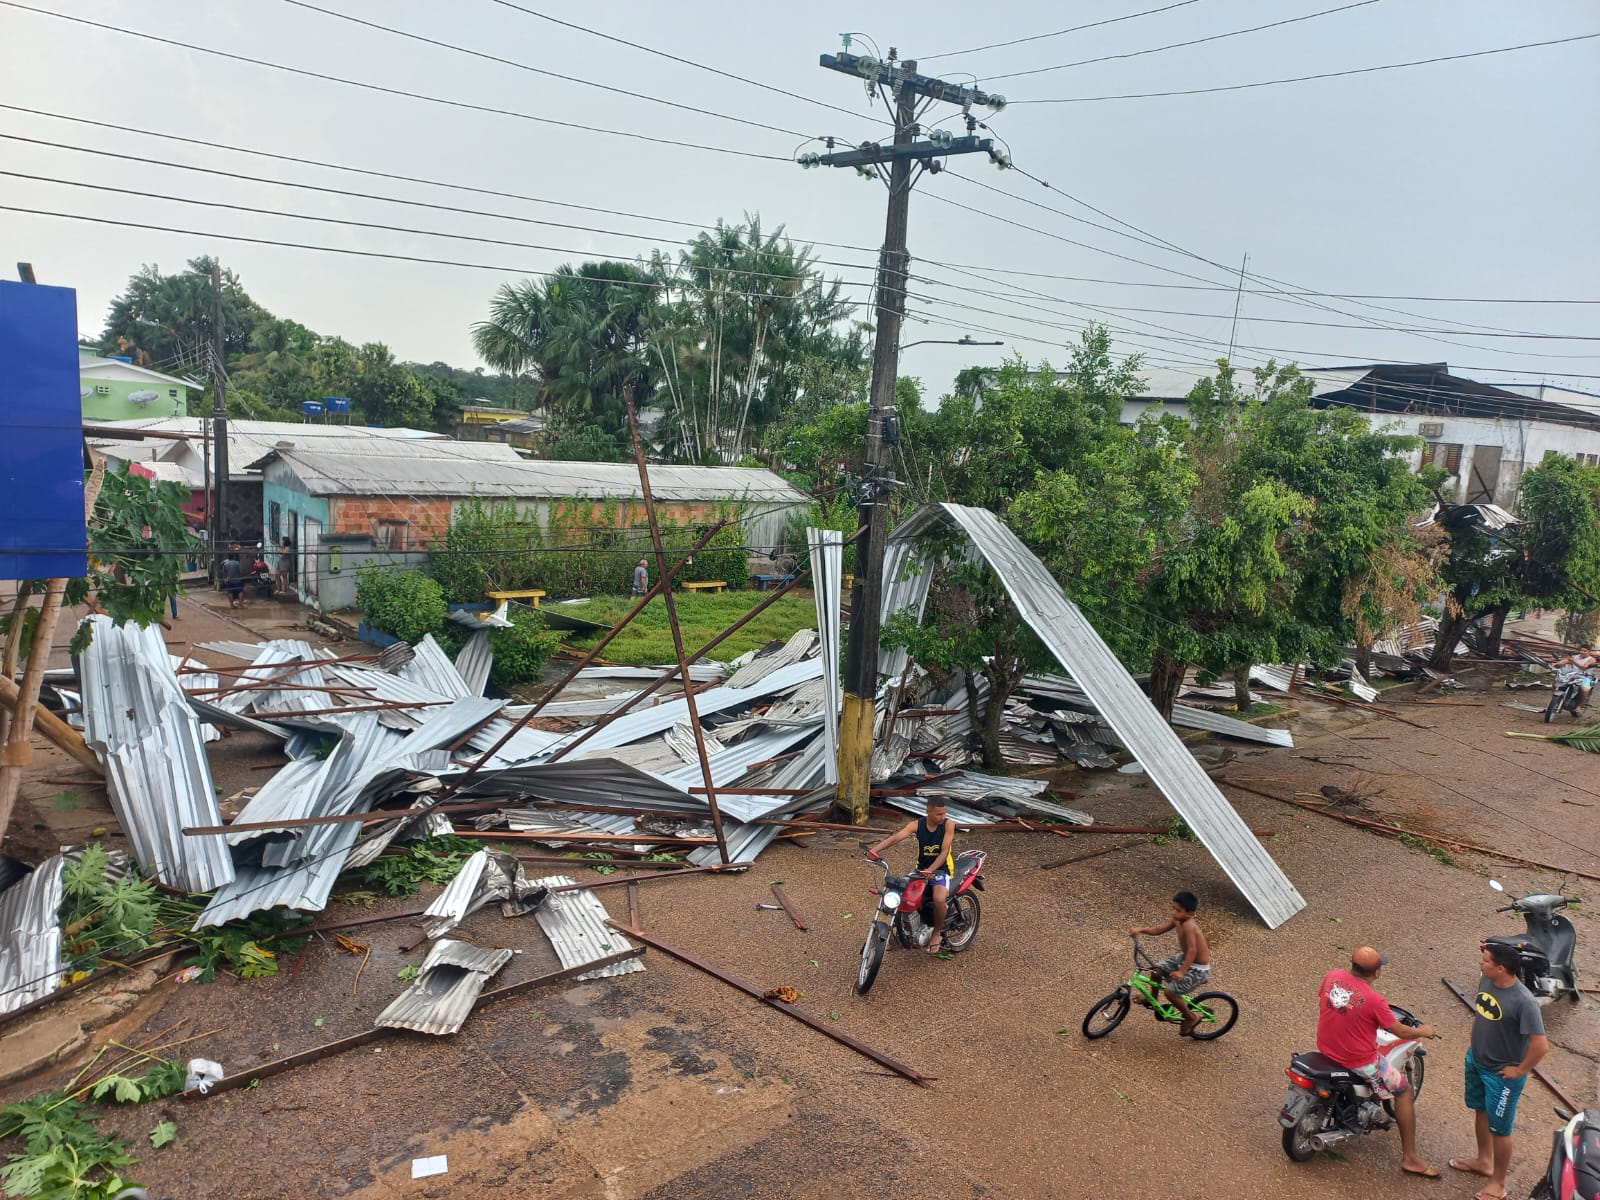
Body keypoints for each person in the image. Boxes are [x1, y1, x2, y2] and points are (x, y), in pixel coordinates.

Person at [1316, 946, 1441, 1179]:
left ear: (1352, 965)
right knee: (1404, 1091)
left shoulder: (1332, 976)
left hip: (1326, 1047)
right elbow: (1401, 1031)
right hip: (1358, 1061)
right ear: (1377, 973)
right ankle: (1411, 1158)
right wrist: (1424, 1031)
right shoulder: (1375, 1001)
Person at [1450, 943, 1548, 1200]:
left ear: (1501, 968)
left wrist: (1519, 1070)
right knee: (1480, 1110)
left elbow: (1540, 1045)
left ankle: (1498, 1184)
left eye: (1485, 960)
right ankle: (1484, 1161)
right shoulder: (1487, 980)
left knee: (1501, 1129)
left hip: (1501, 1076)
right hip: (1476, 1060)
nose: (1480, 963)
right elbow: (1483, 1013)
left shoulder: (1525, 1002)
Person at [867, 801, 955, 954]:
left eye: (944, 813)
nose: (942, 817)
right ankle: (895, 932)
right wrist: (875, 850)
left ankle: (936, 933)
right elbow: (896, 838)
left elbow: (944, 852)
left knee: (939, 898)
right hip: (921, 870)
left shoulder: (948, 825)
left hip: (941, 870)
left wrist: (931, 870)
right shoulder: (916, 825)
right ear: (928, 811)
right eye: (939, 814)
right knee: (896, 892)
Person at [1128, 891, 1211, 1036]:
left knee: (1170, 993)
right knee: (1156, 971)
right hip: (1184, 958)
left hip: (1197, 969)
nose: (1173, 913)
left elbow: (1192, 951)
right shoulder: (1178, 920)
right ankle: (1152, 998)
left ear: (1190, 914)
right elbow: (1159, 930)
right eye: (1173, 908)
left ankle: (1191, 1017)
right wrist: (1141, 930)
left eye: (1178, 910)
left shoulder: (1189, 926)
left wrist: (1182, 971)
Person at [1552, 645, 1600, 713]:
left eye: (1585, 651)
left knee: (1585, 690)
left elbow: (1584, 667)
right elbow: (1565, 660)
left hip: (1586, 677)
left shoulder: (1591, 659)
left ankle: (1579, 706)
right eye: (1581, 650)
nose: (1582, 652)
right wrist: (1557, 664)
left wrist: (1574, 661)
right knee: (1556, 682)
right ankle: (1555, 700)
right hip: (1572, 675)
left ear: (1589, 652)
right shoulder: (1575, 657)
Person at [220, 545, 245, 609]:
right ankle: (240, 605)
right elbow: (241, 572)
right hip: (238, 580)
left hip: (229, 580)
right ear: (234, 556)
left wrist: (225, 579)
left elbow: (224, 572)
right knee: (240, 592)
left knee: (230, 592)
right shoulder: (237, 563)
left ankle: (231, 605)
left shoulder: (226, 564)